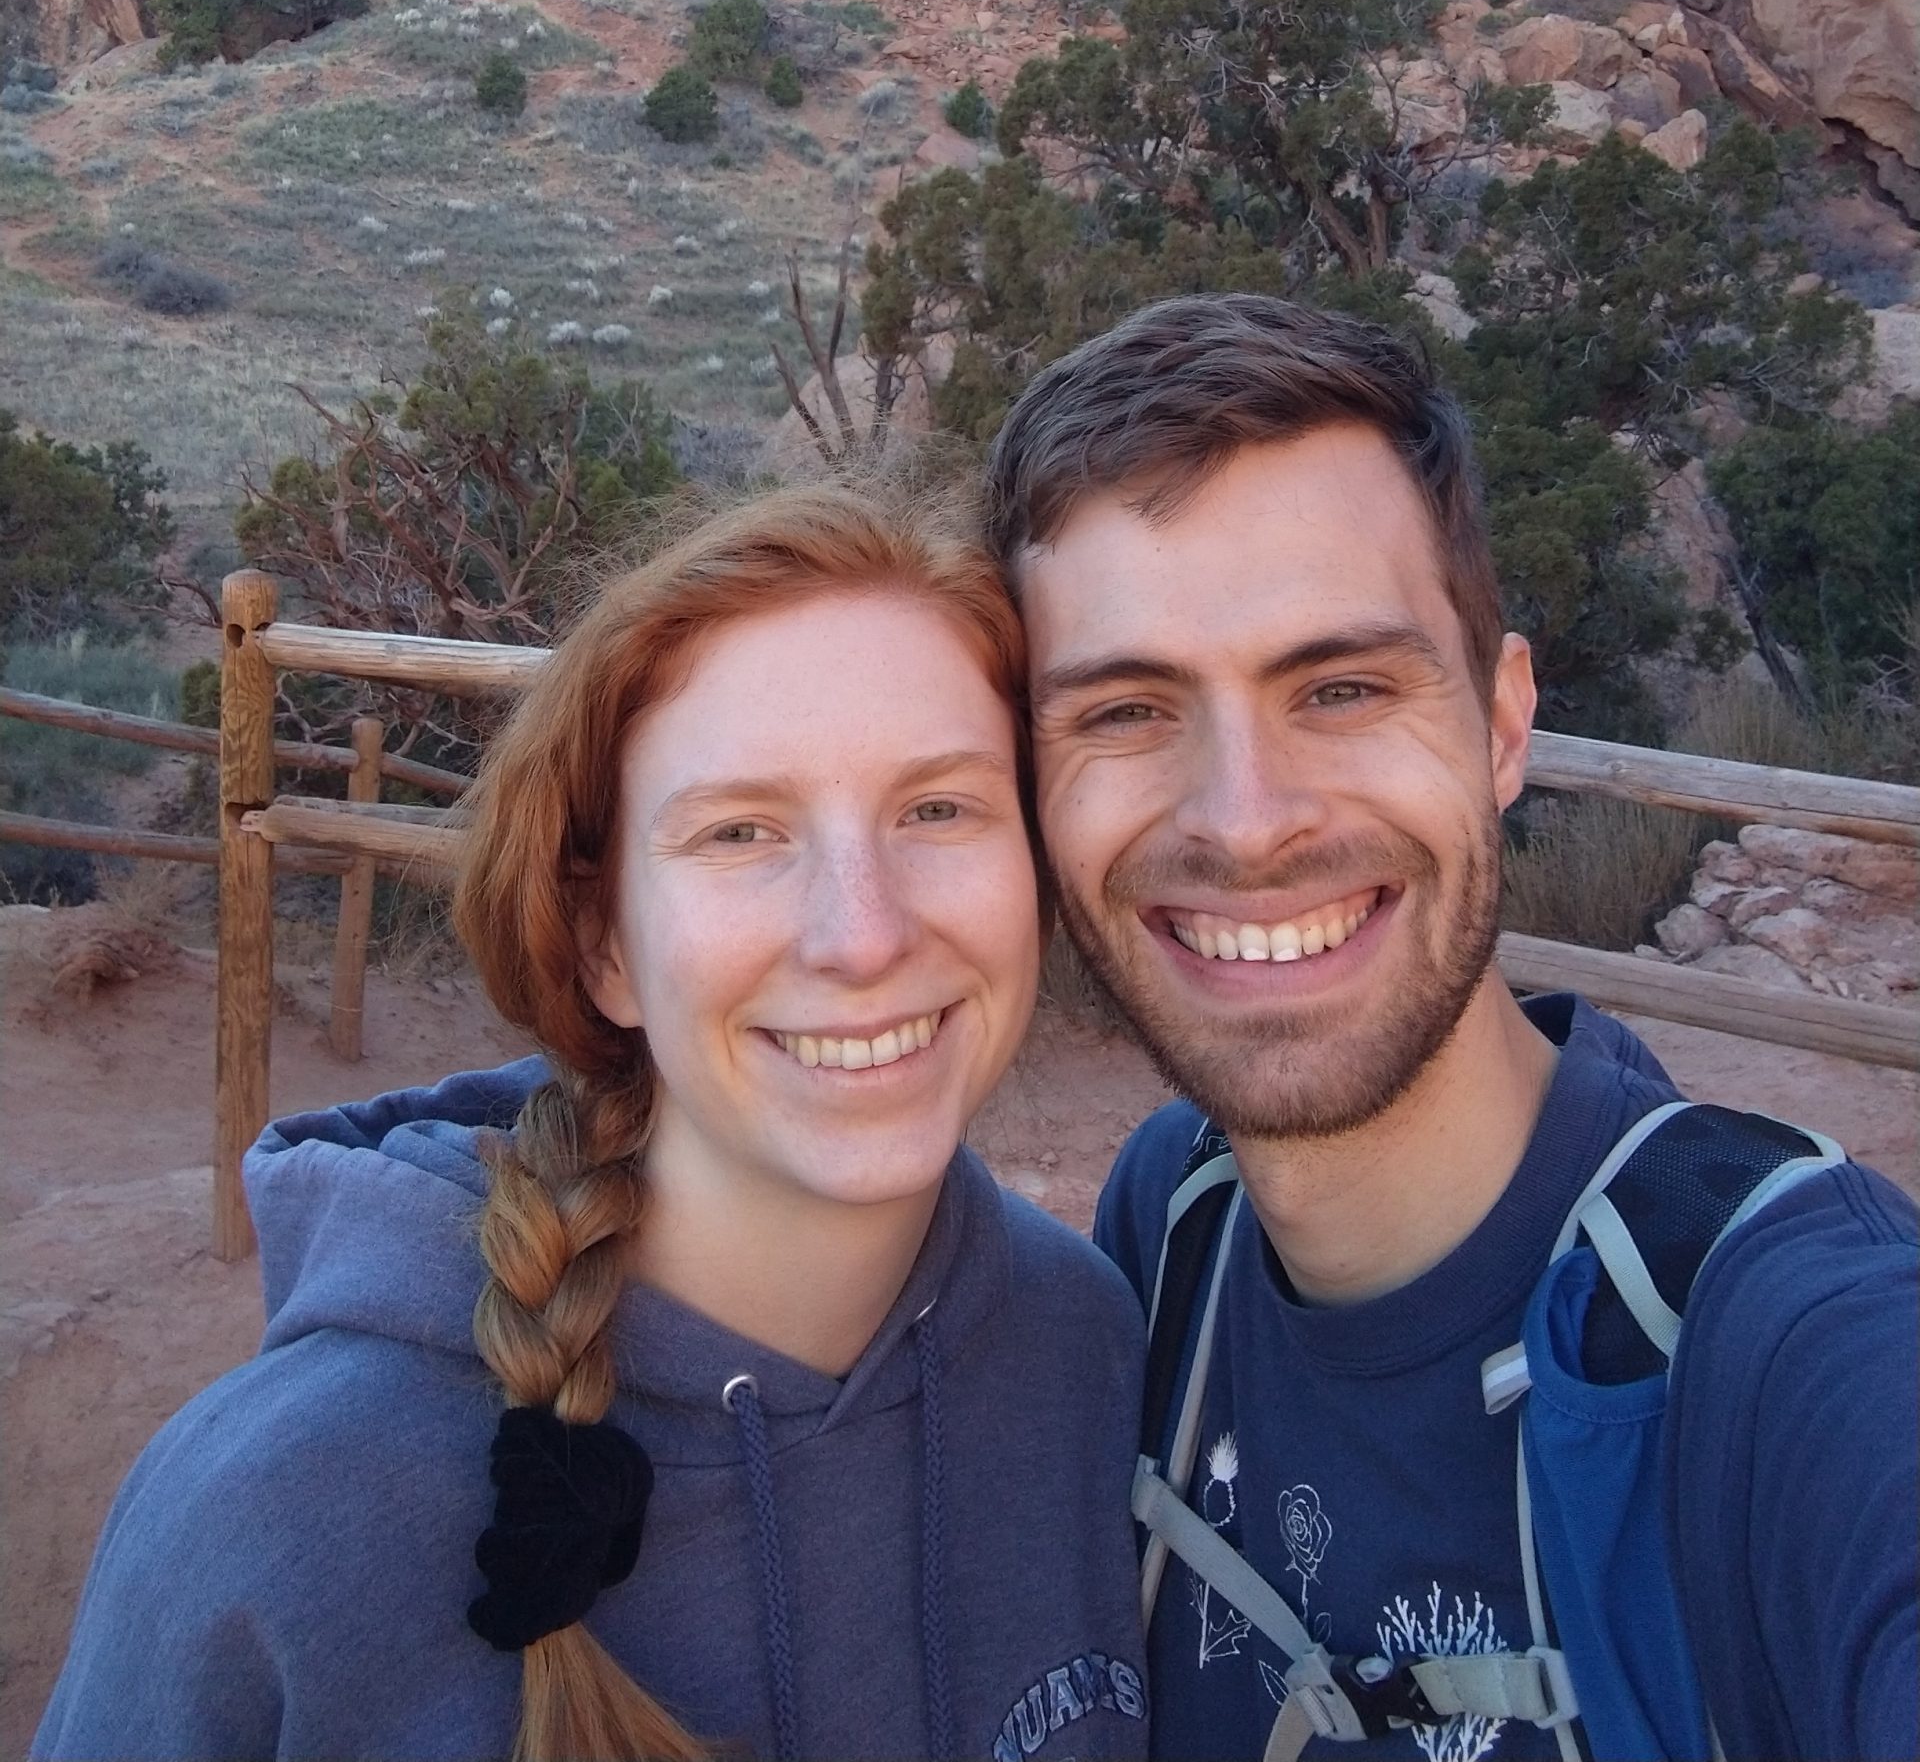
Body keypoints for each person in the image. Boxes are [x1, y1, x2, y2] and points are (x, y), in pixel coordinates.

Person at [35, 479, 1150, 1762]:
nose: (865, 933)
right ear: (603, 942)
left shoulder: (1085, 1348)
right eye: (740, 830)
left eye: (940, 808)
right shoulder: (281, 1508)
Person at [984, 292, 1918, 1762]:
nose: (1245, 822)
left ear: (1501, 725)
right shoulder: (1173, 1229)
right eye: (1125, 713)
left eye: (1342, 687)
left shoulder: (1785, 1355)